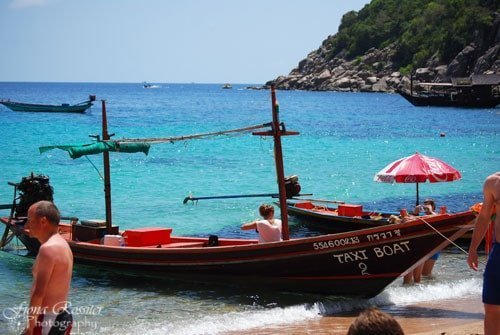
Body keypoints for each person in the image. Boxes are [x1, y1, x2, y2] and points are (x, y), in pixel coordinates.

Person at [23, 201, 73, 335]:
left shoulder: (48, 249)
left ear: (43, 221)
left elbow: (39, 293)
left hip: (48, 318)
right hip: (63, 312)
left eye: (29, 220)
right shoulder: (63, 244)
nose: (27, 225)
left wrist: (30, 327)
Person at [467, 172, 500, 335]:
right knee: (492, 305)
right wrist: (473, 248)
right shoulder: (493, 182)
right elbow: (484, 216)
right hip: (499, 251)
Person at [403, 198, 440, 284]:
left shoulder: (436, 215)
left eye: (428, 205)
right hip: (422, 246)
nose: (425, 207)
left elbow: (437, 217)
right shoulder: (420, 217)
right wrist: (415, 212)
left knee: (426, 274)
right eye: (424, 205)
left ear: (433, 207)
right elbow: (407, 220)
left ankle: (430, 285)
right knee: (417, 275)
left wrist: (430, 211)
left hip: (433, 247)